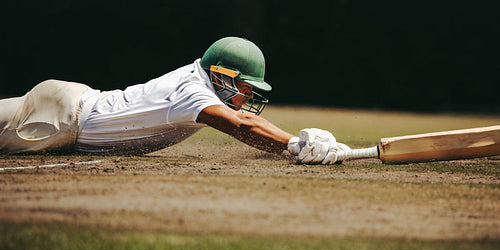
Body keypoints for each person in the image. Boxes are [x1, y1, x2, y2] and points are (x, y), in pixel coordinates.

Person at [0, 37, 348, 164]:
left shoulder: (198, 81)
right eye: (244, 85)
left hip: (72, 107)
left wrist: (299, 145)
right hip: (61, 118)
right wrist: (295, 143)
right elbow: (242, 126)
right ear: (221, 74)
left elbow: (250, 126)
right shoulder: (192, 91)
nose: (247, 94)